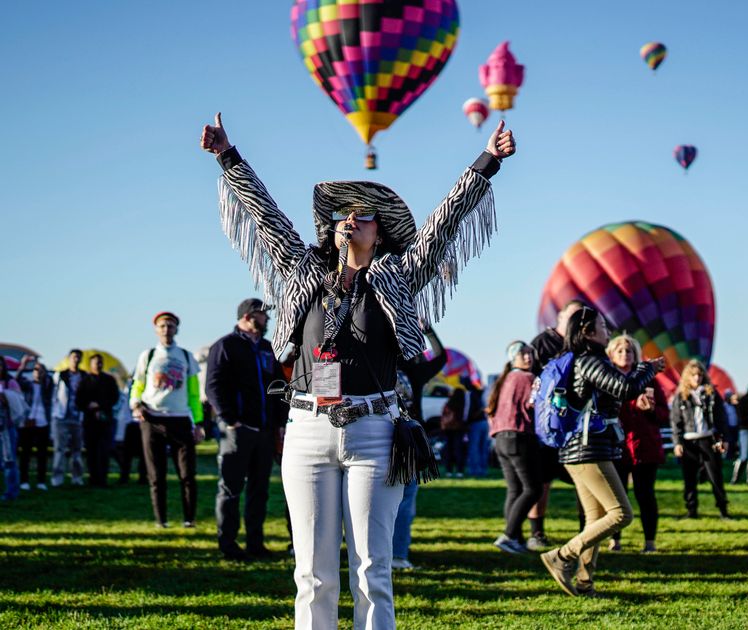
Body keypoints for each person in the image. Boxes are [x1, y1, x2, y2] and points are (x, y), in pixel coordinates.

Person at [202, 111, 515, 628]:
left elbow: (446, 220)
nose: (351, 219)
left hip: (374, 429)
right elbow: (266, 216)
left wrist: (487, 162)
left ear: (382, 233)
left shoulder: (398, 273)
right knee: (313, 575)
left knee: (372, 571)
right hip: (306, 429)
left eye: (364, 215)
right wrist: (227, 156)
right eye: (344, 214)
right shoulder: (303, 269)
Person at [539, 307, 664, 597]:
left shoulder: (585, 360)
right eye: (603, 326)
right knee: (621, 514)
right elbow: (627, 388)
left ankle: (584, 582)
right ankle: (562, 556)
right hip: (588, 450)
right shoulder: (589, 361)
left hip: (581, 448)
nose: (608, 331)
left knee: (595, 520)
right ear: (587, 331)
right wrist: (648, 368)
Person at [207, 298, 288, 561]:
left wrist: (279, 423)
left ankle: (256, 544)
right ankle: (228, 545)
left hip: (264, 432)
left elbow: (277, 388)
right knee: (230, 489)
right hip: (238, 430)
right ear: (248, 315)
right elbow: (213, 386)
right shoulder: (225, 346)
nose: (267, 319)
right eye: (263, 315)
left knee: (259, 489)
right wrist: (230, 419)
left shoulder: (267, 349)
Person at [131, 312, 204, 527]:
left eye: (170, 326)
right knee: (156, 475)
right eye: (162, 326)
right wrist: (135, 403)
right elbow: (138, 384)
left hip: (180, 420)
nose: (166, 329)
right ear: (156, 329)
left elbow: (193, 392)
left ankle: (189, 519)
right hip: (152, 419)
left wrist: (198, 423)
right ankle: (161, 520)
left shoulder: (186, 356)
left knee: (187, 474)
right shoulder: (148, 355)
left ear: (176, 329)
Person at [526, 300, 587, 549]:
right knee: (542, 480)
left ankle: (586, 530)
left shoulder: (583, 345)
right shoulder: (542, 343)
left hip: (575, 424)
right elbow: (530, 377)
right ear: (560, 317)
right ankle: (536, 532)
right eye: (571, 316)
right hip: (547, 425)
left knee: (583, 478)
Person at [391, 325, 446, 571]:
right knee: (401, 501)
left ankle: (393, 554)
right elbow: (440, 358)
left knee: (401, 499)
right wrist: (427, 333)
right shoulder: (408, 371)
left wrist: (428, 332)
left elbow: (440, 358)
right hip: (395, 439)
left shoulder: (411, 372)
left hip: (403, 440)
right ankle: (395, 555)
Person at [608, 334, 667, 553]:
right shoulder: (607, 379)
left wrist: (651, 410)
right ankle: (615, 539)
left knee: (645, 495)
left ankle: (649, 541)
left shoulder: (649, 380)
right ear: (611, 354)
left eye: (629, 350)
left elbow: (664, 414)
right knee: (617, 496)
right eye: (621, 350)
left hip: (644, 446)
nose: (625, 354)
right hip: (616, 446)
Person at [485, 341, 540, 554]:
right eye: (522, 354)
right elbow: (535, 404)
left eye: (530, 353)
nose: (528, 357)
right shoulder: (529, 379)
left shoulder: (505, 379)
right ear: (513, 358)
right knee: (532, 488)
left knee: (515, 489)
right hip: (519, 436)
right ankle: (508, 535)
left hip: (500, 438)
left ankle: (515, 538)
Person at [670, 359, 731, 520]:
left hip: (707, 439)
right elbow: (676, 422)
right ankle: (691, 511)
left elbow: (721, 418)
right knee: (689, 478)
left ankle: (723, 510)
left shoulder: (711, 394)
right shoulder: (681, 397)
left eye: (699, 374)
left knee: (715, 476)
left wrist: (723, 438)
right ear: (687, 377)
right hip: (689, 441)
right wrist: (677, 443)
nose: (697, 378)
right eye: (693, 375)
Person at [75, 354, 120, 487]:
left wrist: (100, 405)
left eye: (100, 363)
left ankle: (102, 479)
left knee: (104, 450)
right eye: (95, 363)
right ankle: (93, 478)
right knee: (91, 451)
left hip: (105, 420)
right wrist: (89, 406)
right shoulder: (84, 381)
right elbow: (79, 400)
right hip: (90, 421)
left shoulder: (109, 380)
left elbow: (114, 398)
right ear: (90, 365)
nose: (98, 365)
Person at [50, 349, 86, 487]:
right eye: (73, 357)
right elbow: (54, 394)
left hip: (78, 418)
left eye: (78, 357)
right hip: (61, 417)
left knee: (77, 450)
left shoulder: (84, 376)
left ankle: (77, 478)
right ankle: (57, 478)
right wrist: (55, 413)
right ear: (69, 359)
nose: (75, 360)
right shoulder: (61, 375)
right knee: (59, 449)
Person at [17, 361, 53, 490]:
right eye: (36, 369)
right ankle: (24, 481)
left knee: (42, 454)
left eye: (41, 369)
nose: (38, 372)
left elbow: (49, 382)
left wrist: (44, 375)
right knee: (25, 453)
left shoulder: (47, 385)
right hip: (28, 422)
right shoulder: (28, 384)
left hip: (43, 423)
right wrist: (23, 366)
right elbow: (16, 381)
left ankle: (41, 481)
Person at [0, 384, 29, 501]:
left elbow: (17, 405)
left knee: (9, 462)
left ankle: (11, 492)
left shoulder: (9, 383)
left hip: (6, 429)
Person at [731, 384, 748, 484]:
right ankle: (735, 479)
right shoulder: (745, 401)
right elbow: (743, 417)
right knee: (744, 456)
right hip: (745, 430)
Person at [440, 389, 468, 477]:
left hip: (448, 429)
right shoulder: (463, 404)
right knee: (458, 450)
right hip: (459, 429)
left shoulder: (448, 403)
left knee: (449, 449)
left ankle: (449, 471)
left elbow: (443, 414)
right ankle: (460, 471)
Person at [465, 381, 490, 477]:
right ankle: (483, 469)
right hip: (484, 422)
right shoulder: (482, 394)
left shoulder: (471, 395)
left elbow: (468, 411)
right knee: (483, 447)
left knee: (474, 447)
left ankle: (475, 470)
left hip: (475, 423)